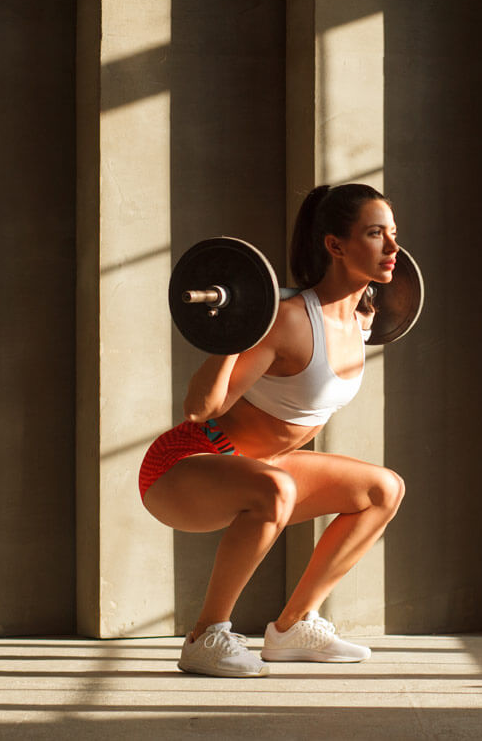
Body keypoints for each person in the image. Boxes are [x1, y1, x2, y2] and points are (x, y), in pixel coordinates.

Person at [139, 183, 406, 678]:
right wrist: (235, 331)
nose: (393, 247)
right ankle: (205, 638)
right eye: (375, 234)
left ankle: (293, 627)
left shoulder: (363, 319)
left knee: (383, 489)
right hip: (184, 465)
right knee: (275, 487)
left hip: (262, 468)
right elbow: (200, 409)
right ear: (335, 245)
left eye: (393, 233)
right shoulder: (285, 319)